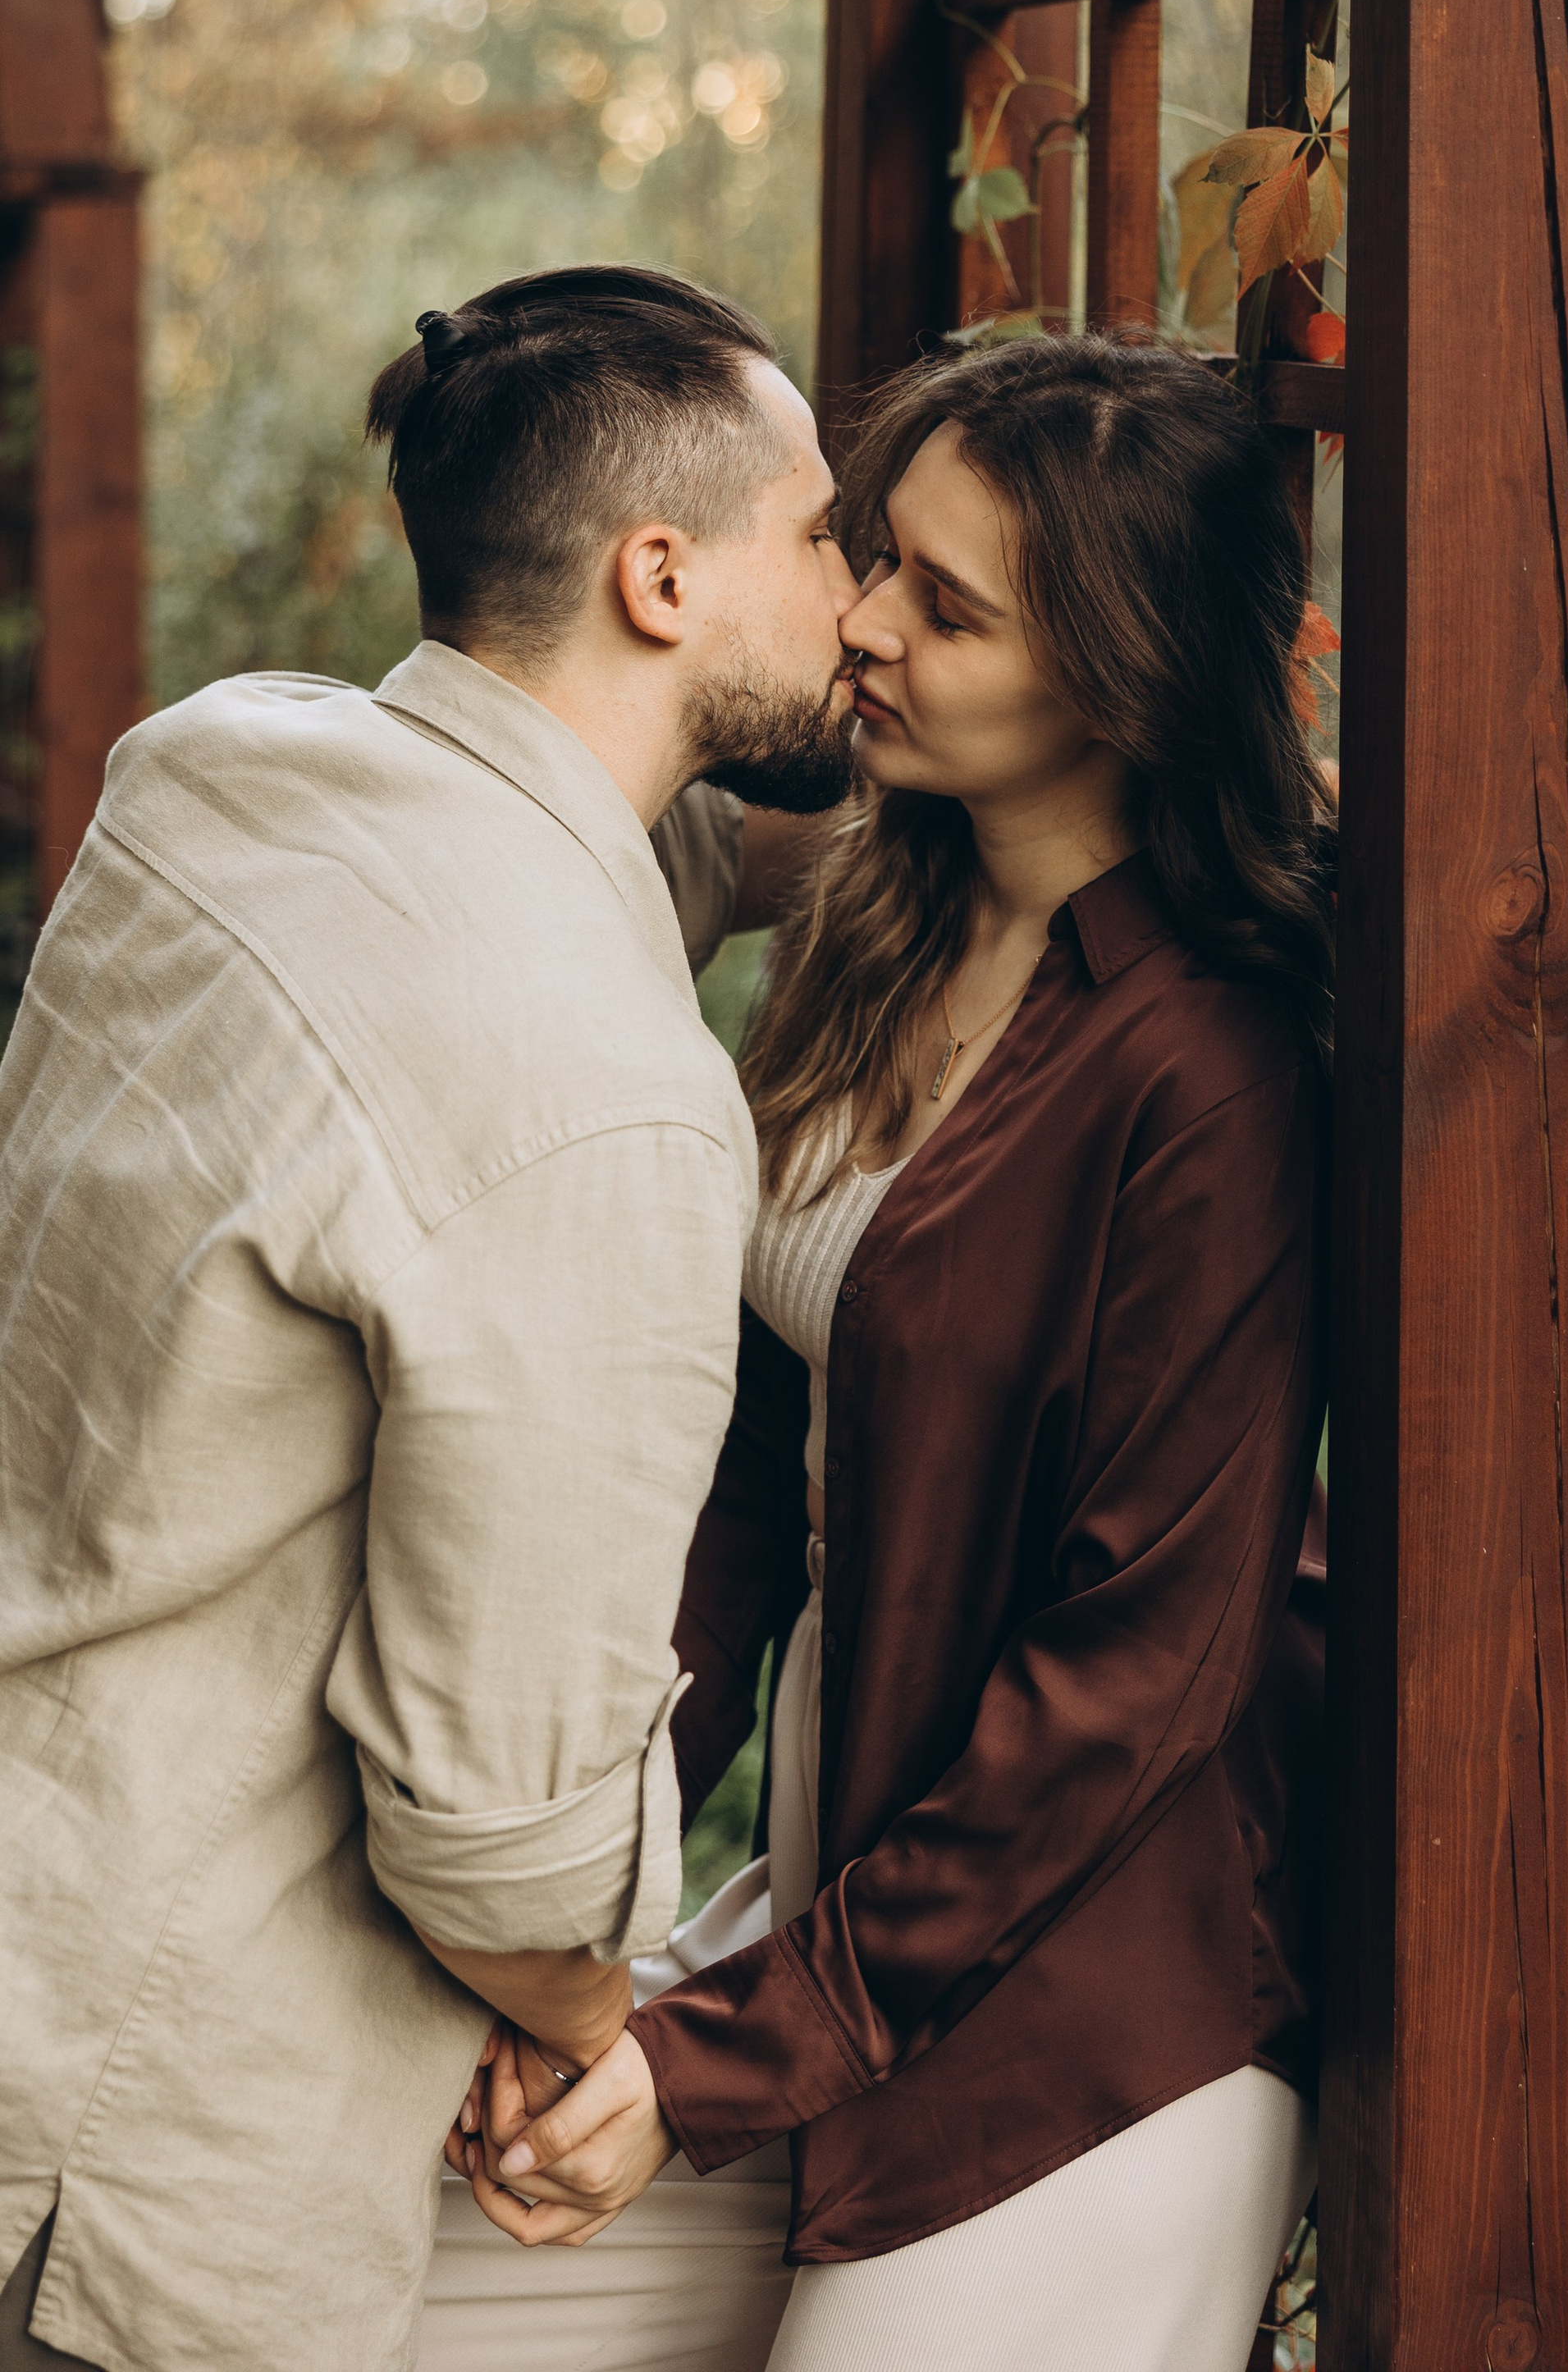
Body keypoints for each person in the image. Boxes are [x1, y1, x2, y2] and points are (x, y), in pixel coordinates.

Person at [0, 265, 859, 2372]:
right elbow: (495, 1820)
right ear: (663, 579)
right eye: (824, 535)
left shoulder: (213, 776)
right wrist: (598, 2028)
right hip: (146, 2114)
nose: (861, 594)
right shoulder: (604, 1104)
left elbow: (513, 910)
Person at [450, 332, 1329, 2372]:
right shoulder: (877, 919)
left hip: (1085, 2023)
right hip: (825, 1923)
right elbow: (743, 1489)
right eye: (873, 558)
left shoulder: (1207, 1069)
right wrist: (563, 1947)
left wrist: (742, 2045)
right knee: (321, 2277)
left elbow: (1138, 1678)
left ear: (1118, 676)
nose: (853, 625)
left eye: (943, 607)